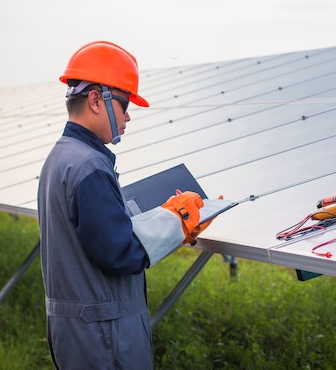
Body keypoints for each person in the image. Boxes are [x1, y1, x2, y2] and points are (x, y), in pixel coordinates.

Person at [37, 41, 212, 369]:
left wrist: (164, 217)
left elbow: (95, 232)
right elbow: (119, 252)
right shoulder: (89, 166)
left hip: (79, 333)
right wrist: (177, 220)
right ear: (95, 100)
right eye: (124, 104)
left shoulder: (61, 157)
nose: (128, 115)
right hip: (104, 339)